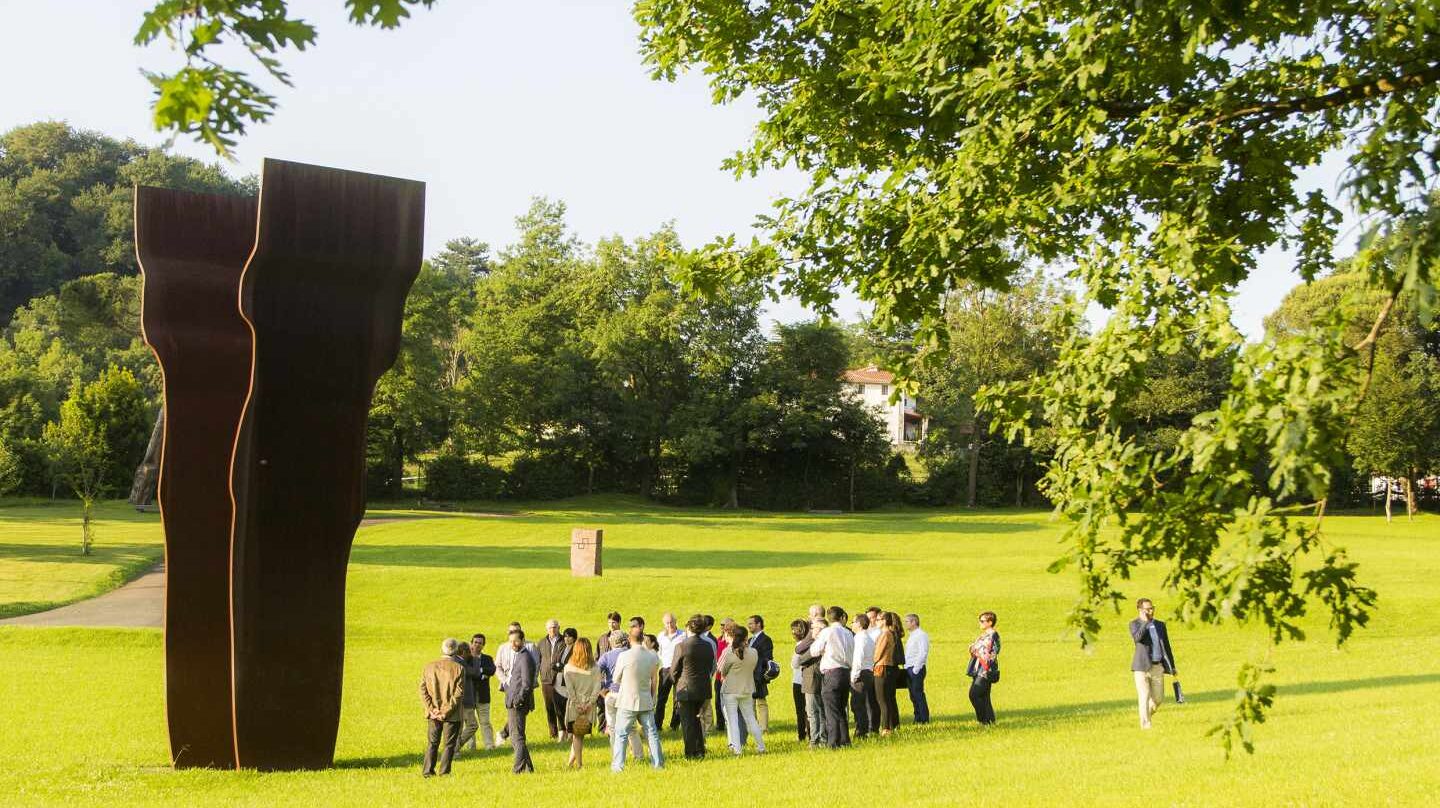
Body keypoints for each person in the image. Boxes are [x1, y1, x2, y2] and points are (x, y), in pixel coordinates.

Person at [611, 617, 665, 771]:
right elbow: (654, 680)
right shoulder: (652, 656)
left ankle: (617, 766)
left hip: (627, 700)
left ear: (629, 639)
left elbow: (616, 678)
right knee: (652, 733)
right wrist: (653, 697)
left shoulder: (624, 656)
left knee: (621, 734)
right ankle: (658, 764)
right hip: (645, 699)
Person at [670, 614, 716, 759]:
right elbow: (710, 667)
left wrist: (676, 682)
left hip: (686, 689)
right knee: (697, 720)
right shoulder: (708, 645)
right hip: (703, 688)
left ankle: (691, 752)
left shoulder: (682, 646)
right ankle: (700, 749)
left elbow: (673, 670)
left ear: (689, 627)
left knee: (687, 722)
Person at [420, 638, 466, 777]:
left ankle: (428, 771)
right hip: (452, 714)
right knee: (449, 745)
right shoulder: (459, 668)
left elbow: (423, 690)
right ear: (456, 651)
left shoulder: (429, 667)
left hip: (433, 714)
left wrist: (431, 709)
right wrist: (445, 711)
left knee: (432, 743)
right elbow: (458, 693)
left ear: (442, 649)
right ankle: (444, 772)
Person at [718, 623, 766, 754]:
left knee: (733, 721)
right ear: (746, 638)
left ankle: (737, 749)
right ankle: (761, 746)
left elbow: (722, 670)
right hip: (747, 689)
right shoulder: (753, 652)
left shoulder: (730, 653)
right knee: (750, 718)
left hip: (730, 690)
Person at [1129, 598, 1176, 729]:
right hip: (1141, 667)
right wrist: (1145, 622)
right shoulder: (1134, 624)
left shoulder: (1160, 625)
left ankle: (1145, 716)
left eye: (1152, 608)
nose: (1151, 611)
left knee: (1158, 699)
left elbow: (1166, 646)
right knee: (1144, 696)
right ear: (1140, 610)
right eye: (1148, 609)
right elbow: (1137, 638)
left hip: (1157, 666)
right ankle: (1146, 725)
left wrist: (1172, 666)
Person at [811, 606, 855, 748]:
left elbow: (814, 651)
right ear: (842, 617)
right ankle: (844, 740)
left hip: (831, 672)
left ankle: (833, 742)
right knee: (841, 708)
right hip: (846, 671)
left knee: (831, 710)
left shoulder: (827, 632)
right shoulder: (848, 633)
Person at [556, 637, 601, 769]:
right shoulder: (595, 668)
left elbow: (570, 689)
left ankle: (575, 764)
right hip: (588, 705)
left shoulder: (568, 668)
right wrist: (589, 703)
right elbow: (597, 688)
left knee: (577, 736)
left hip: (575, 705)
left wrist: (577, 704)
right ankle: (575, 764)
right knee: (578, 736)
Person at [504, 628, 537, 773]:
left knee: (516, 737)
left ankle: (517, 770)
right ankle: (529, 768)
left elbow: (527, 684)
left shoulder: (525, 657)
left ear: (523, 641)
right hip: (514, 701)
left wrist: (518, 700)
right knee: (517, 736)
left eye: (516, 640)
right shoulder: (520, 656)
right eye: (511, 641)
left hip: (518, 703)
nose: (513, 643)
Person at [461, 633, 497, 751]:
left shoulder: (487, 658)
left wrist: (479, 670)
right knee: (470, 723)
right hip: (469, 696)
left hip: (483, 695)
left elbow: (492, 670)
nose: (477, 645)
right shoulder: (466, 659)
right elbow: (468, 673)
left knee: (485, 722)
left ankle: (489, 746)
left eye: (480, 643)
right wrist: (481, 675)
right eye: (475, 642)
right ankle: (471, 747)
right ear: (471, 643)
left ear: (483, 645)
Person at [797, 617, 827, 748]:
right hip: (819, 679)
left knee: (813, 713)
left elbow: (801, 659)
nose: (811, 631)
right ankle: (822, 739)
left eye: (813, 628)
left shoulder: (817, 643)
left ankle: (815, 741)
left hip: (812, 680)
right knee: (821, 711)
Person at [966, 611, 1001, 726]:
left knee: (974, 694)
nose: (979, 623)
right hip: (979, 668)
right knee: (985, 697)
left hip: (986, 670)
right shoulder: (984, 635)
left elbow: (991, 651)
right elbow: (975, 647)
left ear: (990, 622)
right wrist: (974, 648)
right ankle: (990, 721)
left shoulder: (993, 635)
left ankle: (983, 721)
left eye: (982, 621)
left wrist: (975, 648)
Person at [874, 611, 905, 735]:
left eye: (879, 619)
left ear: (884, 621)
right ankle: (893, 725)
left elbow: (877, 654)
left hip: (882, 668)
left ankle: (886, 728)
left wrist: (872, 661)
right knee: (889, 699)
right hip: (890, 669)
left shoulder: (885, 634)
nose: (876, 621)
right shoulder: (892, 633)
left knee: (882, 700)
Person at [537, 618, 567, 740]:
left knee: (560, 706)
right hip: (546, 679)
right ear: (547, 629)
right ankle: (553, 733)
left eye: (554, 627)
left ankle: (563, 731)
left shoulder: (563, 641)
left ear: (559, 628)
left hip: (560, 678)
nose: (552, 629)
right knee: (549, 707)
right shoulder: (542, 642)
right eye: (550, 627)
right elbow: (538, 659)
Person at [849, 612, 876, 738]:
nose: (852, 624)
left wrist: (853, 676)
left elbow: (858, 659)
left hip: (860, 673)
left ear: (859, 624)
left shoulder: (860, 638)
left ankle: (861, 731)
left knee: (857, 704)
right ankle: (864, 729)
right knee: (862, 703)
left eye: (853, 622)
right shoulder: (869, 638)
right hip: (868, 671)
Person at [655, 612, 684, 731]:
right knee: (661, 698)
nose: (670, 625)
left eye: (671, 622)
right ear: (664, 624)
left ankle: (674, 725)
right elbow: (658, 652)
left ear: (675, 621)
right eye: (667, 623)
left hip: (679, 669)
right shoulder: (660, 636)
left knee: (678, 698)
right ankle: (658, 724)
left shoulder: (683, 635)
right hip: (666, 669)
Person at [746, 614, 774, 731]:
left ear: (759, 624)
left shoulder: (766, 639)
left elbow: (768, 658)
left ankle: (763, 728)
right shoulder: (750, 640)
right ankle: (753, 727)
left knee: (761, 702)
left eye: (751, 624)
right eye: (748, 624)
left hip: (759, 675)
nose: (749, 626)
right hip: (748, 675)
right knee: (750, 702)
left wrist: (761, 674)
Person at [903, 613, 930, 724]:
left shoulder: (921, 635)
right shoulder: (912, 635)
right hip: (909, 668)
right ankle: (917, 717)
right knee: (913, 695)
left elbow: (923, 652)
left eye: (907, 622)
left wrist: (916, 669)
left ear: (914, 622)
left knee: (918, 694)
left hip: (916, 668)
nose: (905, 624)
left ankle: (923, 719)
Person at [787, 619, 811, 742]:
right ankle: (810, 732)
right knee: (810, 709)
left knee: (801, 710)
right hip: (808, 680)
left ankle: (802, 734)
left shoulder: (800, 645)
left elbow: (795, 664)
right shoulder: (811, 642)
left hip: (798, 681)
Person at [699, 615, 720, 733]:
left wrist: (710, 674)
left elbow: (714, 661)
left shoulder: (711, 640)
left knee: (706, 701)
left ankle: (709, 726)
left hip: (706, 675)